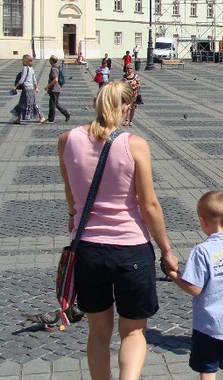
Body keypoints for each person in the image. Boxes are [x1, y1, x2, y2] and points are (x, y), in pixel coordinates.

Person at [57, 81, 178, 380]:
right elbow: (149, 206)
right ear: (125, 106)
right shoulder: (134, 145)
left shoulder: (66, 140)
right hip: (131, 250)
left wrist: (77, 217)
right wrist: (166, 250)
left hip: (87, 249)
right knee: (134, 333)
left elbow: (72, 197)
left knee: (98, 334)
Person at [167, 191, 223, 380]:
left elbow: (195, 288)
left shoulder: (202, 251)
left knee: (208, 368)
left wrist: (174, 275)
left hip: (209, 325)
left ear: (203, 221)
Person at [11, 54, 46, 125]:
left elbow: (22, 79)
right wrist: (36, 87)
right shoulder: (31, 69)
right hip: (31, 88)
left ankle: (41, 117)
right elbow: (34, 79)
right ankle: (18, 119)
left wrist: (16, 86)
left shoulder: (25, 68)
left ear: (25, 61)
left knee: (31, 104)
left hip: (26, 89)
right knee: (23, 103)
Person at [44, 55, 71, 124]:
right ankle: (63, 114)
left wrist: (48, 86)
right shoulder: (58, 67)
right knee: (54, 103)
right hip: (57, 88)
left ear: (52, 61)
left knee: (53, 104)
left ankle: (52, 118)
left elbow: (55, 79)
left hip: (54, 89)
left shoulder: (54, 69)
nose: (49, 61)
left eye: (50, 60)